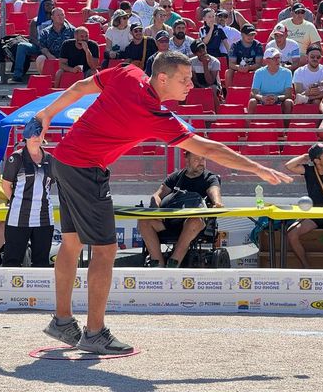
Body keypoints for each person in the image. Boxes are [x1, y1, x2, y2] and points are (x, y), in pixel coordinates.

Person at [32, 50, 293, 354]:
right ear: (163, 78)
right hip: (85, 169)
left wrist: (47, 114)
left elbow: (80, 88)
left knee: (72, 242)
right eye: (184, 79)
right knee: (105, 250)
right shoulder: (156, 115)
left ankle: (63, 322)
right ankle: (94, 332)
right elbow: (209, 148)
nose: (191, 85)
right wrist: (257, 167)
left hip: (64, 160)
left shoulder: (127, 73)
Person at [138, 151, 223, 268]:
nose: (201, 162)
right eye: (197, 159)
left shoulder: (210, 178)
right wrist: (155, 208)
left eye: (203, 159)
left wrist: (217, 202)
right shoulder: (175, 177)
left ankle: (174, 262)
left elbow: (214, 192)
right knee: (143, 221)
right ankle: (157, 262)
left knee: (194, 221)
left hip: (194, 225)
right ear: (187, 160)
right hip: (168, 222)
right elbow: (157, 196)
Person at [2, 136, 54, 267]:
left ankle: (39, 288)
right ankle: (10, 288)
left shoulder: (50, 159)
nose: (36, 137)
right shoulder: (16, 158)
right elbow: (6, 186)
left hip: (44, 218)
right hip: (18, 217)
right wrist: (19, 203)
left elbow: (49, 185)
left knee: (41, 262)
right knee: (12, 261)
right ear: (25, 137)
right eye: (32, 133)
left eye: (39, 133)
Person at [8, 0, 55, 84]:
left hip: (53, 47)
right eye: (47, 5)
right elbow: (32, 38)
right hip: (38, 46)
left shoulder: (56, 20)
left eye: (51, 5)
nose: (50, 7)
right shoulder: (35, 21)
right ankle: (17, 76)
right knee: (22, 46)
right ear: (42, 6)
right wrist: (42, 47)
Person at [247, 47, 294, 120]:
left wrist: (277, 98)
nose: (277, 60)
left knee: (288, 102)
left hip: (280, 100)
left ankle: (286, 130)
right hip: (263, 99)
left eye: (278, 58)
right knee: (252, 101)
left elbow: (288, 94)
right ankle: (248, 129)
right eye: (274, 58)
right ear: (267, 61)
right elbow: (253, 93)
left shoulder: (287, 73)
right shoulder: (259, 73)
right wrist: (262, 98)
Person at [36, 8, 76, 74]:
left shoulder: (72, 30)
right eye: (58, 15)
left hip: (67, 59)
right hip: (51, 56)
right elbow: (42, 46)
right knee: (40, 58)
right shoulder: (46, 31)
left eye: (62, 15)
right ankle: (46, 79)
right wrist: (49, 55)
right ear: (52, 17)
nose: (61, 17)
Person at [189, 39, 222, 111]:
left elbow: (210, 81)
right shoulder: (191, 62)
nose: (203, 52)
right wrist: (201, 87)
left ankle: (218, 112)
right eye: (199, 51)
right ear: (195, 53)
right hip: (198, 84)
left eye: (203, 48)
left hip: (213, 85)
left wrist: (205, 65)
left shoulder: (215, 62)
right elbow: (194, 80)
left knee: (212, 89)